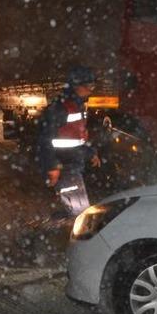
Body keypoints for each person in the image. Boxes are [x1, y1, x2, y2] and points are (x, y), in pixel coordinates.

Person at [37, 65, 101, 218]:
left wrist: (91, 153)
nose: (91, 89)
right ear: (77, 86)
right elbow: (45, 140)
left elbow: (78, 139)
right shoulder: (60, 108)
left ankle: (66, 229)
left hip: (73, 165)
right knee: (81, 213)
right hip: (64, 166)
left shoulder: (78, 106)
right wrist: (52, 167)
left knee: (76, 209)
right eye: (89, 86)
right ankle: (74, 237)